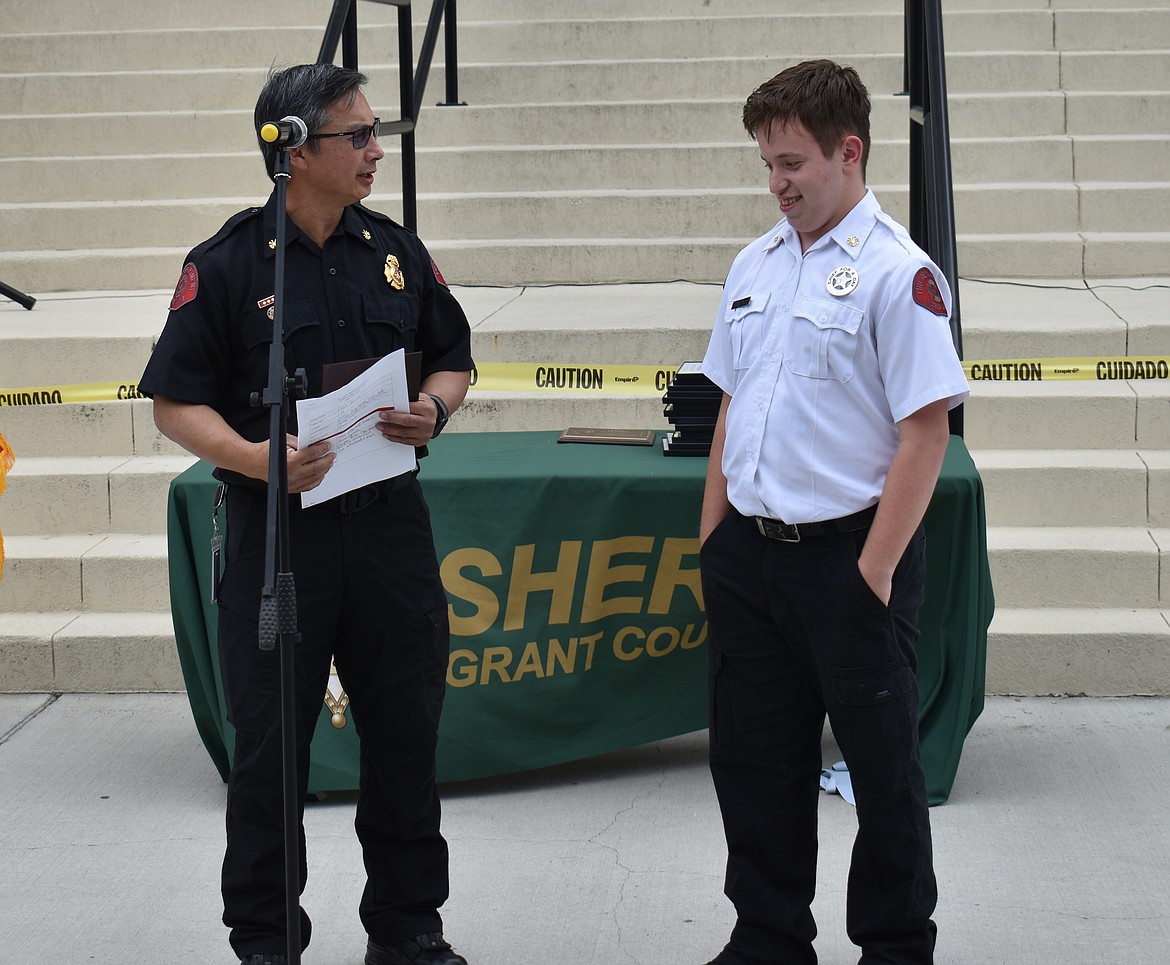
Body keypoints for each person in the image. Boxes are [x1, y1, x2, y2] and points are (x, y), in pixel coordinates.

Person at [139, 64, 473, 965]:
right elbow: (174, 402)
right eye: (355, 136)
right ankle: (267, 939)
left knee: (405, 733)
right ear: (292, 151)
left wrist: (432, 411)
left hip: (387, 527)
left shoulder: (395, 250)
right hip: (276, 535)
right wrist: (258, 461)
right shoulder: (228, 262)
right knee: (271, 755)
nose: (374, 149)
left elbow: (453, 358)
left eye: (374, 132)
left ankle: (408, 929)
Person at [697, 60, 969, 965]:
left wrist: (873, 575)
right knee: (753, 763)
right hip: (753, 559)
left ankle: (894, 946)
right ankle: (767, 938)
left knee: (883, 774)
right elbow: (731, 406)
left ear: (848, 153)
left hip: (852, 559)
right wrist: (714, 542)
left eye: (791, 164)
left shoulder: (901, 274)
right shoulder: (756, 262)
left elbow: (925, 433)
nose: (776, 184)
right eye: (767, 165)